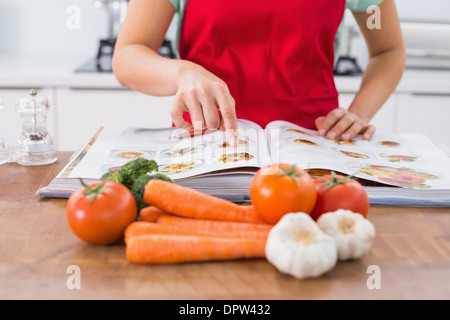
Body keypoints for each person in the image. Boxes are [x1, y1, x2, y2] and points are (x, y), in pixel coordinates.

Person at [112, 0, 405, 146]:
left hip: (316, 145)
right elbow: (128, 55)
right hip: (207, 145)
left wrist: (359, 114)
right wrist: (182, 73)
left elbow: (388, 51)